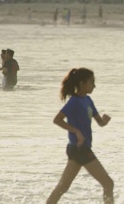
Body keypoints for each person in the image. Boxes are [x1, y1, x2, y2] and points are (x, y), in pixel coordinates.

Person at [47, 68, 113, 204]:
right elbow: (57, 119)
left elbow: (99, 122)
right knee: (108, 183)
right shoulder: (74, 102)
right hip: (80, 149)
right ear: (82, 83)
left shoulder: (88, 100)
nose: (94, 85)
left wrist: (104, 121)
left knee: (63, 187)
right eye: (91, 82)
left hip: (79, 148)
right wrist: (76, 132)